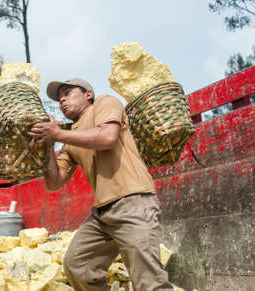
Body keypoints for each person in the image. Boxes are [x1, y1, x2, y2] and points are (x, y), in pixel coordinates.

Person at [29, 78, 173, 291]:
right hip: (103, 213)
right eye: (59, 98)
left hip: (133, 202)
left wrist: (58, 134)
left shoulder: (104, 103)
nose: (62, 100)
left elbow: (108, 137)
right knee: (78, 266)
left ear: (88, 94)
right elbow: (54, 181)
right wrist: (49, 145)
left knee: (148, 281)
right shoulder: (71, 137)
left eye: (67, 93)